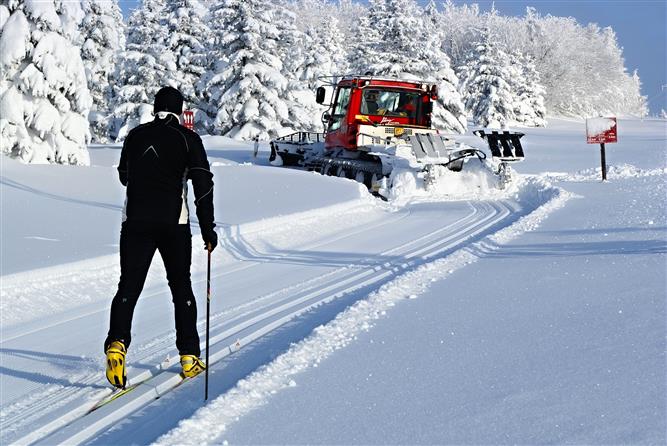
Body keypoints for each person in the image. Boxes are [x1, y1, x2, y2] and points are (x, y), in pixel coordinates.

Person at [104, 86, 217, 388]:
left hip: (135, 221)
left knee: (129, 285)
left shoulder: (135, 135)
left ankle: (117, 342)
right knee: (180, 286)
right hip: (173, 224)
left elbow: (124, 174)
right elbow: (204, 185)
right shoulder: (188, 139)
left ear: (156, 108)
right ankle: (190, 356)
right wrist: (208, 229)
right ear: (179, 111)